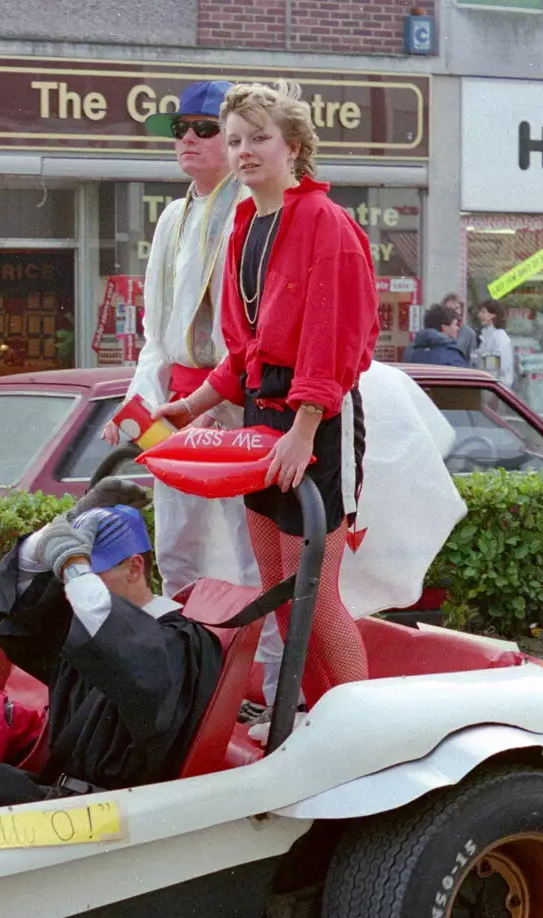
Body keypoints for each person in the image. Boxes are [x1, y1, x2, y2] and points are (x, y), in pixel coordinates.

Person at [159, 79, 374, 710]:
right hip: (264, 412)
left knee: (317, 593)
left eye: (259, 138)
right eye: (234, 140)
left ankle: (363, 722)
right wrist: (195, 405)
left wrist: (305, 429)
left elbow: (331, 339)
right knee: (278, 586)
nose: (244, 151)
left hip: (320, 415)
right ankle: (303, 716)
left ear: (295, 146)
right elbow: (243, 349)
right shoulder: (246, 222)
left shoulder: (326, 223)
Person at [0, 499, 224, 820]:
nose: (73, 589)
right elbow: (22, 625)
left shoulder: (182, 643)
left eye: (89, 574)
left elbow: (137, 667)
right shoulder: (96, 626)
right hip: (59, 795)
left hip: (109, 816)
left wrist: (77, 571)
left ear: (133, 568)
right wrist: (38, 547)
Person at [100, 78, 285, 703]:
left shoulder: (255, 211)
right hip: (178, 402)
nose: (188, 139)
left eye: (205, 129)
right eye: (181, 129)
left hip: (240, 398)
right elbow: (156, 333)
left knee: (251, 547)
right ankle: (191, 675)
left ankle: (267, 684)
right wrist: (138, 403)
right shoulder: (174, 218)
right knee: (175, 542)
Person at [475, 298, 516, 388]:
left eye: (483, 312)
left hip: (498, 387)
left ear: (493, 315)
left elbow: (501, 364)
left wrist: (478, 360)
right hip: (488, 386)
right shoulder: (486, 335)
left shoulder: (500, 338)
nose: (479, 315)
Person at [441, 293, 477, 361]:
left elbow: (471, 359)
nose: (453, 311)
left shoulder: (469, 333)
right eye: (450, 308)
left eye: (457, 308)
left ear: (461, 311)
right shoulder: (438, 329)